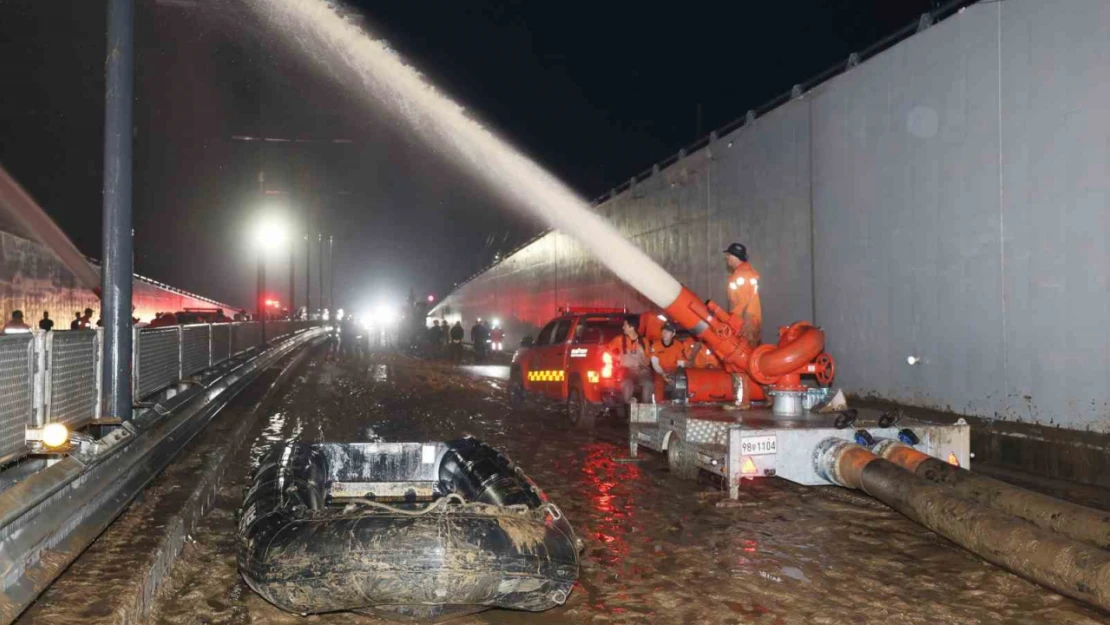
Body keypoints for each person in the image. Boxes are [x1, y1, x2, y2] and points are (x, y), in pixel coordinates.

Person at [606, 317, 652, 410]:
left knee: (648, 384)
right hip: (626, 371)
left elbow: (647, 362)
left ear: (632, 327)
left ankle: (646, 409)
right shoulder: (619, 339)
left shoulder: (644, 341)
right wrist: (617, 357)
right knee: (627, 383)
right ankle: (628, 406)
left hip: (641, 370)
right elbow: (606, 350)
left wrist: (642, 353)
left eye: (625, 325)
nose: (623, 327)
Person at [724, 242, 762, 347]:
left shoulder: (743, 274)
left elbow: (745, 303)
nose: (727, 257)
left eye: (729, 255)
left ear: (735, 256)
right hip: (744, 322)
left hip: (746, 323)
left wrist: (742, 325)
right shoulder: (741, 273)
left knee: (745, 355)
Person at [649, 321, 691, 401]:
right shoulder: (655, 345)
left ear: (673, 334)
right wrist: (663, 374)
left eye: (668, 331)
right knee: (658, 383)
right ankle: (658, 405)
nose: (664, 333)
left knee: (680, 381)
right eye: (663, 331)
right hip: (659, 371)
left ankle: (679, 404)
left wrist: (675, 375)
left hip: (674, 371)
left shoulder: (679, 345)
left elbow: (681, 363)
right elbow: (655, 363)